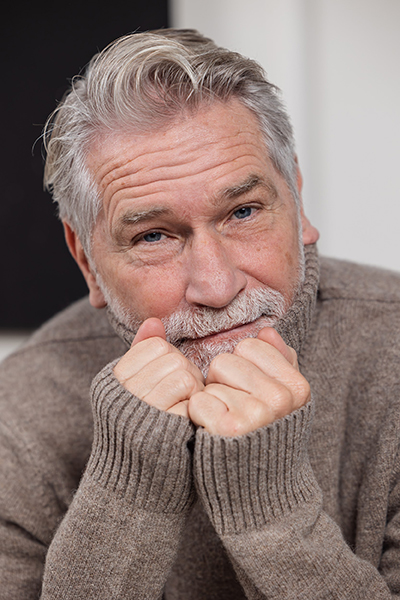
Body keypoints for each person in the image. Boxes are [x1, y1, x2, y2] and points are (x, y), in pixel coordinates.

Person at [1, 28, 400, 599]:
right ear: (86, 261)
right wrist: (127, 492)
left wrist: (271, 512)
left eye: (243, 212)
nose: (217, 286)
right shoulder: (17, 419)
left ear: (298, 201)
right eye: (154, 235)